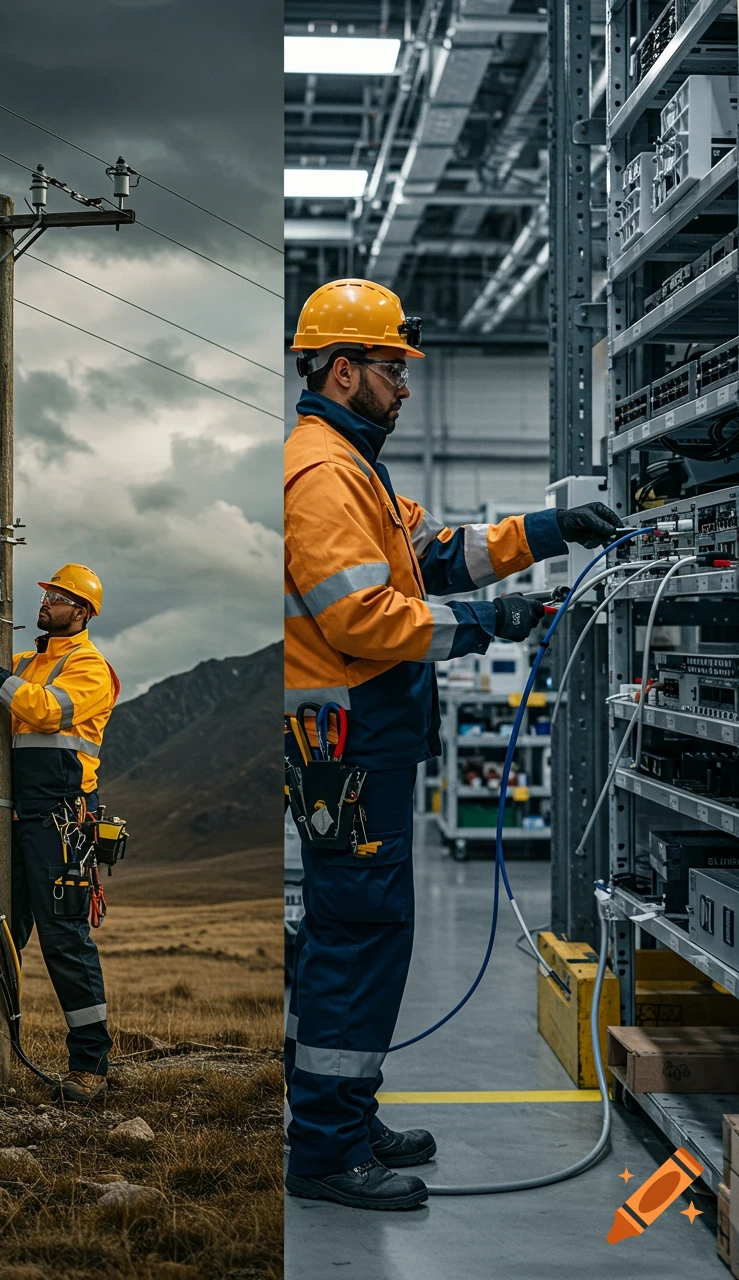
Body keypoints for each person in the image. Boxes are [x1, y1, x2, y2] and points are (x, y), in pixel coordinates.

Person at [283, 278, 620, 1210]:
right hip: (349, 745)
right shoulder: (322, 474)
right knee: (358, 936)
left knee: (360, 934)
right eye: (392, 368)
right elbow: (359, 616)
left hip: (364, 742)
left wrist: (549, 529)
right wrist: (486, 624)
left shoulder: (356, 467)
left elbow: (435, 557)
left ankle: (345, 1116)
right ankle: (323, 1148)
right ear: (341, 369)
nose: (405, 385)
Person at [0, 563, 120, 1102]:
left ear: (82, 613)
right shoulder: (22, 663)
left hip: (59, 822)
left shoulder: (89, 667)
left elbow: (45, 711)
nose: (46, 602)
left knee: (65, 942)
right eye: (47, 595)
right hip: (5, 819)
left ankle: (90, 1066)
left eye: (58, 597)